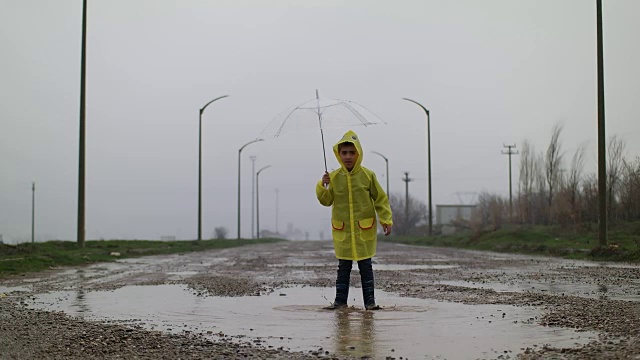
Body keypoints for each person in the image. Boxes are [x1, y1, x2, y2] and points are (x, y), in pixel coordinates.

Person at [316, 130, 393, 310]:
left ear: (358, 153)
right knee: (344, 268)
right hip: (343, 230)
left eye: (352, 152)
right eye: (344, 153)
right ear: (339, 154)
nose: (348, 157)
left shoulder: (368, 175)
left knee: (366, 267)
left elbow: (380, 199)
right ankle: (340, 302)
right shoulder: (333, 177)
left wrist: (386, 220)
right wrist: (323, 185)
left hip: (363, 230)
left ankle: (370, 303)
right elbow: (326, 201)